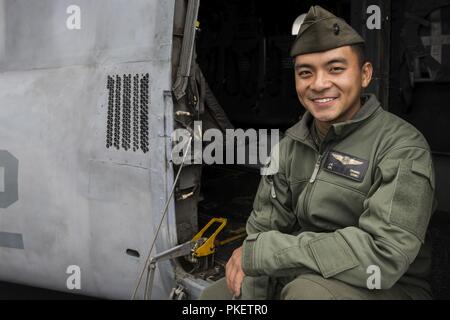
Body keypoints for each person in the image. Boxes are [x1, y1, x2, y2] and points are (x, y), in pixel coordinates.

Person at [199, 5, 435, 300]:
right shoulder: (291, 144)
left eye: (336, 69)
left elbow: (384, 254)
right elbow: (264, 227)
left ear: (364, 75)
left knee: (306, 294)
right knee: (215, 298)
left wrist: (265, 254)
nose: (319, 84)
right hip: (304, 269)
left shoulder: (401, 147)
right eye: (305, 73)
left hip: (390, 285)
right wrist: (253, 287)